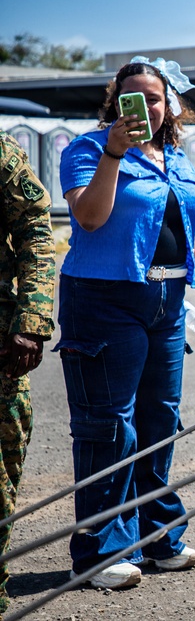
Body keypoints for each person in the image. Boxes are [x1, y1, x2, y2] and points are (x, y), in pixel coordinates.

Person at [56, 57, 195, 590]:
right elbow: (90, 216)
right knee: (109, 427)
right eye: (132, 96)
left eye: (153, 97)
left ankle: (157, 536)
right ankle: (100, 552)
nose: (144, 106)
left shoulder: (177, 157)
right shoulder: (87, 149)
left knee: (159, 422)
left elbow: (190, 231)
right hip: (104, 299)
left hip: (168, 301)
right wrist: (113, 152)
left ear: (169, 103)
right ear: (115, 102)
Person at [0, 131, 55, 615]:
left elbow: (36, 230)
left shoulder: (2, 152)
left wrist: (33, 319)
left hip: (1, 344)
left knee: (5, 462)